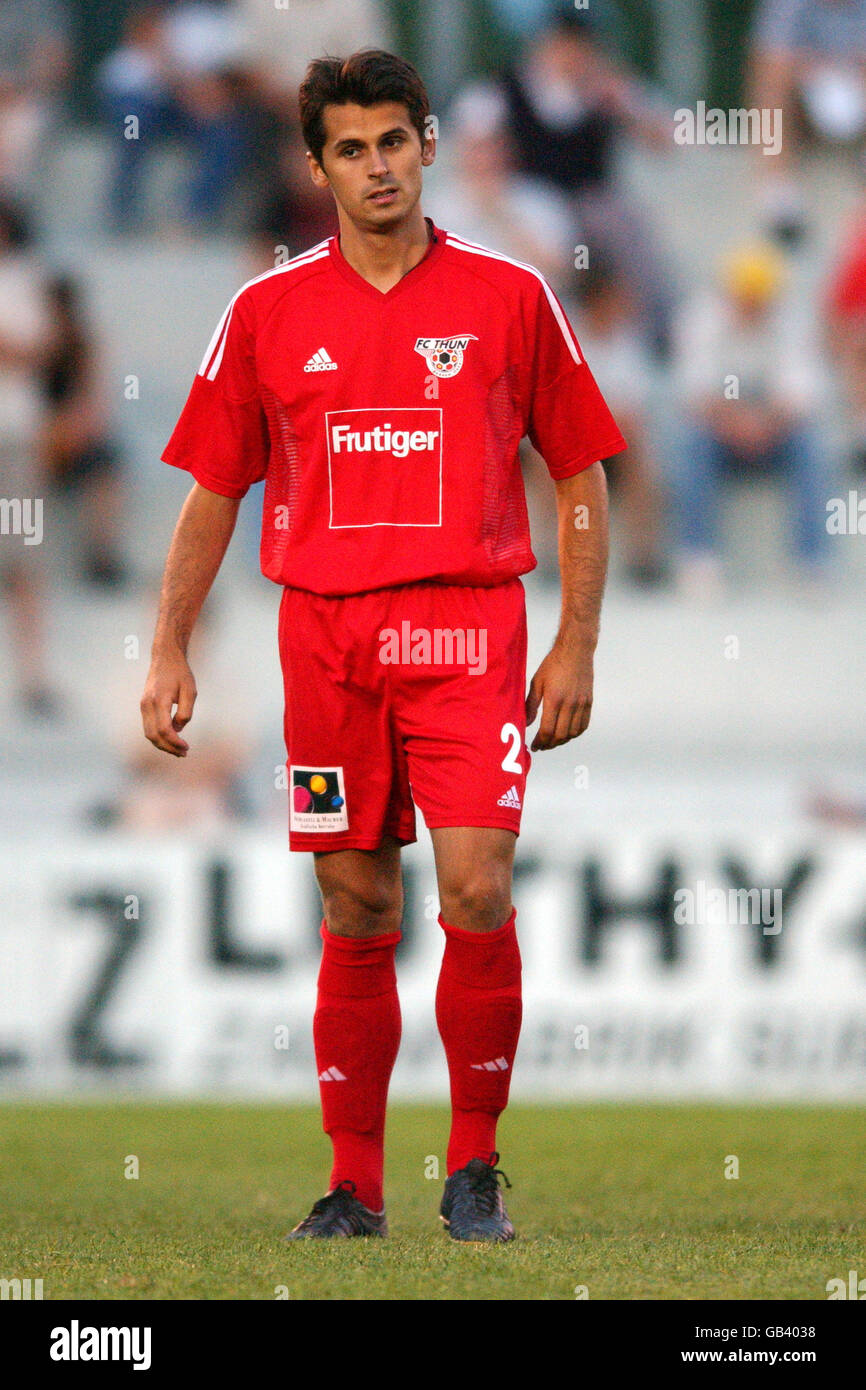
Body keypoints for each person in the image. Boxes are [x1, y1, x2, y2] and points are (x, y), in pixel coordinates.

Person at [142, 49, 625, 1242]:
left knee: (474, 886)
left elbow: (578, 470)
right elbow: (214, 489)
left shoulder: (510, 296)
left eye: (394, 142)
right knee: (357, 904)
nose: (377, 168)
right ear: (317, 167)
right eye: (350, 150)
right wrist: (168, 648)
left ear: (426, 143)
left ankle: (471, 1169)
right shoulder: (264, 311)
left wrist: (574, 643)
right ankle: (353, 1184)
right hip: (326, 644)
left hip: (467, 629)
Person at [672, 243, 831, 592]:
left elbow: (802, 392)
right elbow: (693, 391)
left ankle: (812, 562)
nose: (753, 306)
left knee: (811, 447)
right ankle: (698, 558)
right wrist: (739, 423)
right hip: (720, 431)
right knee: (692, 444)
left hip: (774, 431)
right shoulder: (700, 319)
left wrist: (762, 423)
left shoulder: (793, 323)